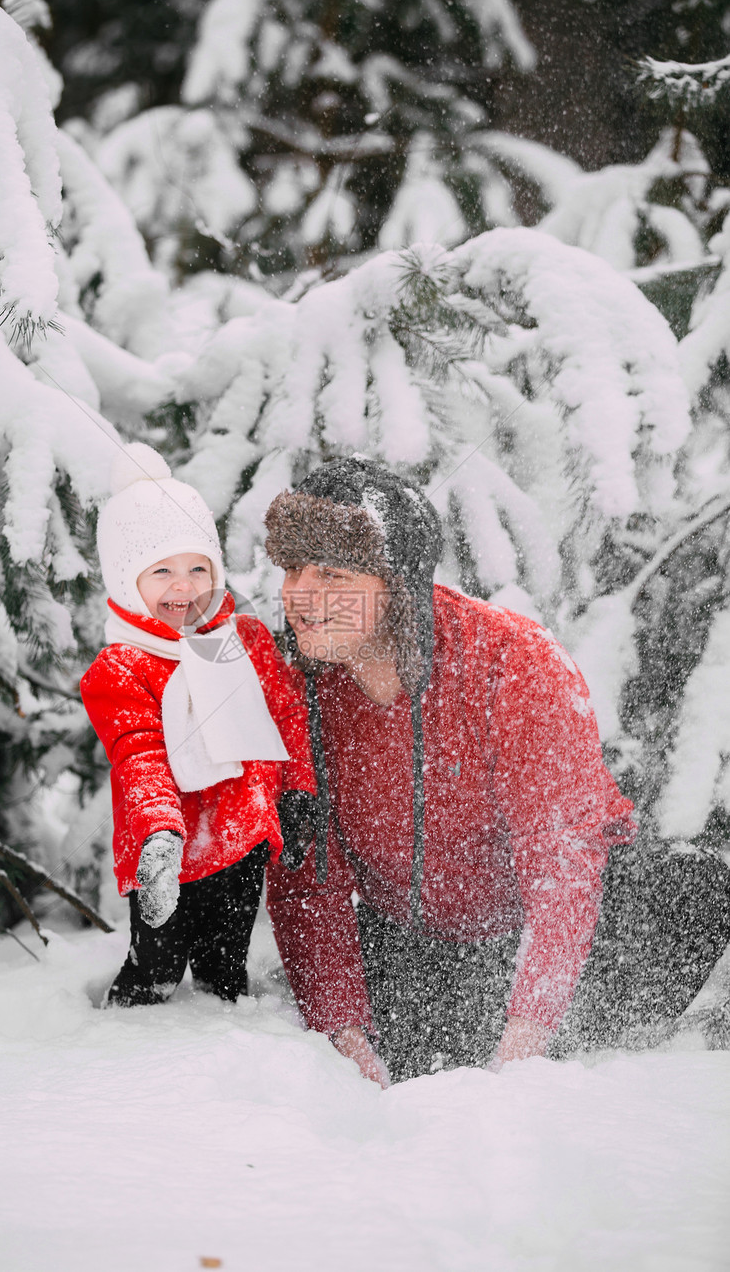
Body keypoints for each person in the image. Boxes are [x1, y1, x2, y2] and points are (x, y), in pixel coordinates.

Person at [264, 457, 636, 1085]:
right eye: (293, 569)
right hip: (414, 938)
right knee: (409, 1053)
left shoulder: (514, 663)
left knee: (689, 900)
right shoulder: (296, 688)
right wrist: (348, 1044)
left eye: (331, 572)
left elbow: (563, 869)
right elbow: (308, 884)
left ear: (397, 585)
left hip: (555, 930)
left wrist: (525, 1051)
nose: (302, 595)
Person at [81, 443, 314, 1007]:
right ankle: (122, 1045)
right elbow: (139, 753)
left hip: (242, 836)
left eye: (197, 568)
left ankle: (225, 1049)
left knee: (224, 965)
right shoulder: (121, 668)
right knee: (157, 965)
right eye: (161, 571)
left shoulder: (245, 640)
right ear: (123, 578)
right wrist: (158, 832)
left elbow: (287, 713)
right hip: (168, 849)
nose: (183, 587)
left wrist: (300, 789)